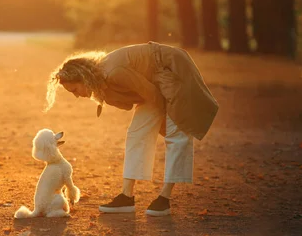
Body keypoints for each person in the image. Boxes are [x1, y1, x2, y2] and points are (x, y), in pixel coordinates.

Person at [44, 41, 218, 216]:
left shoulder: (113, 73)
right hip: (153, 84)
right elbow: (134, 100)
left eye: (74, 89)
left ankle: (164, 199)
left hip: (172, 69)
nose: (76, 95)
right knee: (137, 133)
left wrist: (167, 123)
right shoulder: (101, 81)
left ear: (84, 78)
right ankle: (127, 197)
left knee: (176, 134)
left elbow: (152, 94)